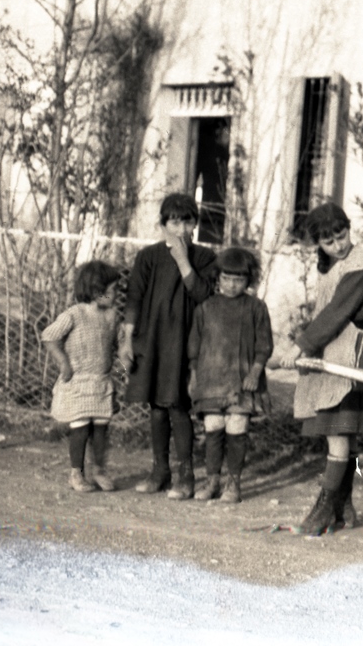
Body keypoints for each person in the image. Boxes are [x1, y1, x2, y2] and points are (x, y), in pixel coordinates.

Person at [278, 203, 363, 536]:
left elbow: (335, 313)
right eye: (329, 242)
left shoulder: (361, 268)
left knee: (339, 434)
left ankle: (324, 509)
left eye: (341, 236)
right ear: (318, 244)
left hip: (353, 359)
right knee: (340, 434)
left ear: (348, 229)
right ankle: (343, 508)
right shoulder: (332, 265)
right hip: (336, 356)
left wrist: (301, 345)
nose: (338, 246)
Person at [120, 193, 219, 500]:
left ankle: (186, 475)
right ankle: (160, 471)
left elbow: (203, 294)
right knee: (157, 407)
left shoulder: (205, 258)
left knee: (178, 406)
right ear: (163, 224)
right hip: (152, 338)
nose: (180, 228)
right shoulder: (147, 257)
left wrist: (182, 259)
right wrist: (126, 340)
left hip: (185, 342)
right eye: (174, 221)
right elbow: (134, 298)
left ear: (194, 224)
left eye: (187, 221)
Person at [187, 247, 273, 503]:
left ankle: (233, 483)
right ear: (217, 277)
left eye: (239, 280)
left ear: (248, 280)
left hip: (242, 380)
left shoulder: (256, 307)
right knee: (213, 428)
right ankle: (212, 480)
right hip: (210, 379)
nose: (232, 285)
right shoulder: (205, 307)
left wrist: (255, 372)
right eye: (226, 278)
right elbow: (194, 345)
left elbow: (264, 345)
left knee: (237, 427)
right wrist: (193, 376)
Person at [41, 260, 122, 493]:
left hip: (101, 382)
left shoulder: (112, 316)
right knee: (80, 427)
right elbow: (49, 336)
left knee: (101, 428)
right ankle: (76, 473)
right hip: (78, 381)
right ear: (98, 292)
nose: (117, 294)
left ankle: (99, 470)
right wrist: (63, 363)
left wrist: (123, 371)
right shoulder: (74, 314)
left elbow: (119, 347)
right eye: (113, 290)